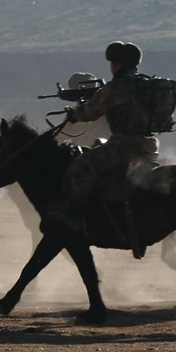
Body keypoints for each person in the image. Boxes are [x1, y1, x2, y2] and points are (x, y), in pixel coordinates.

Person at [55, 42, 162, 246]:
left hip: (124, 147)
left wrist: (74, 115)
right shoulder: (148, 84)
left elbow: (92, 111)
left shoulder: (118, 86)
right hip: (150, 145)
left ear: (117, 64)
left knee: (82, 165)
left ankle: (75, 215)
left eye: (112, 62)